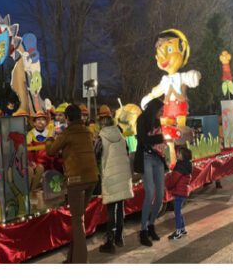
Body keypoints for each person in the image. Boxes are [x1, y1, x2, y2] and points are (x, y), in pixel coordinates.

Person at [45, 103, 98, 264]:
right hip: (93, 178)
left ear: (67, 118)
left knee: (77, 221)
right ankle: (72, 258)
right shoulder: (87, 131)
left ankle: (80, 262)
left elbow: (50, 151)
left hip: (76, 180)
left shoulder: (67, 133)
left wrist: (49, 137)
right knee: (79, 219)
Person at [96, 105, 132, 253]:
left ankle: (109, 241)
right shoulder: (120, 134)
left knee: (111, 209)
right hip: (123, 175)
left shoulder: (101, 137)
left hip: (110, 176)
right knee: (120, 208)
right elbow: (127, 152)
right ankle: (119, 237)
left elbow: (96, 154)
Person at [134, 99, 167, 247]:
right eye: (161, 111)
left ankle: (151, 224)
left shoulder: (157, 121)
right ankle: (143, 230)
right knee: (150, 193)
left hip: (158, 158)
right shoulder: (142, 119)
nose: (162, 113)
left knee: (160, 195)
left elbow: (155, 138)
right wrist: (161, 137)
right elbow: (143, 139)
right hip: (146, 158)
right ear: (154, 109)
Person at [166, 144, 193, 240]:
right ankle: (182, 229)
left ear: (182, 156)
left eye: (178, 153)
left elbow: (173, 180)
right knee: (179, 211)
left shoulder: (180, 167)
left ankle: (178, 232)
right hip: (183, 192)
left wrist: (167, 185)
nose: (176, 154)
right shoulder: (186, 165)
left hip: (179, 192)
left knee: (177, 212)